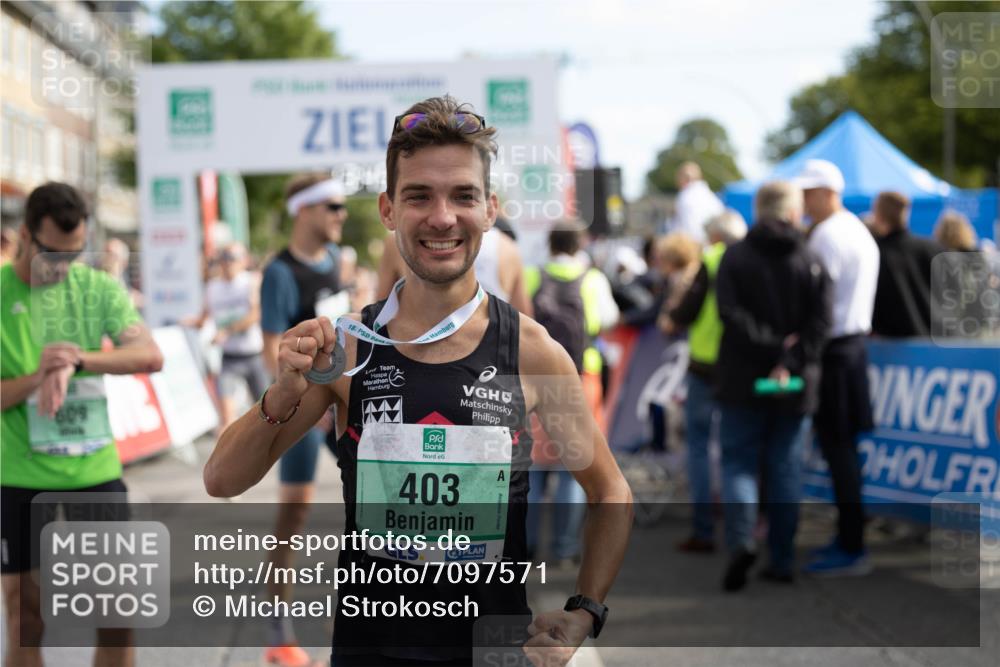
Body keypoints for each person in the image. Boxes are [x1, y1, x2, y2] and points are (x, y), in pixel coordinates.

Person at [205, 96, 632, 666]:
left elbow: (610, 492)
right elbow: (222, 480)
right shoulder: (348, 346)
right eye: (419, 196)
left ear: (489, 208)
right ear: (387, 210)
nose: (442, 217)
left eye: (463, 195)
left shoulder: (531, 351)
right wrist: (280, 394)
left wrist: (585, 610)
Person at [1, 182, 164, 667]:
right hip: (19, 478)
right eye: (53, 253)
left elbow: (150, 355)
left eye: (74, 254)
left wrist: (77, 361)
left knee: (117, 615)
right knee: (25, 621)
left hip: (94, 471)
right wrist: (39, 377)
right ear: (25, 236)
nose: (63, 266)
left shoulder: (93, 288)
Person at [714, 181, 831, 591]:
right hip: (795, 383)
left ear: (759, 209)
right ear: (793, 211)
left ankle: (743, 541)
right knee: (785, 468)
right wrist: (788, 359)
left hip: (742, 378)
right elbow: (820, 324)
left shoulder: (736, 256)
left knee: (739, 464)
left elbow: (729, 313)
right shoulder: (811, 258)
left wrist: (769, 352)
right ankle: (781, 558)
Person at [258, 173, 349, 667]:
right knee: (293, 517)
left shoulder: (336, 260)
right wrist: (300, 402)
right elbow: (270, 347)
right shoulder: (279, 272)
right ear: (304, 211)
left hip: (335, 406)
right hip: (300, 411)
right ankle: (280, 631)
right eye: (332, 207)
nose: (341, 215)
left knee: (369, 510)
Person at [795, 159, 879, 576]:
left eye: (809, 193)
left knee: (839, 450)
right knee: (843, 451)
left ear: (828, 192)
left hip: (836, 351)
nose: (804, 201)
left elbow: (817, 305)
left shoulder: (828, 235)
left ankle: (852, 545)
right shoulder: (856, 230)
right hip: (852, 347)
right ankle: (850, 539)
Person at [523, 222, 620, 566]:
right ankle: (564, 548)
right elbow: (609, 318)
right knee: (572, 465)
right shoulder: (592, 279)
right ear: (579, 244)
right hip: (582, 376)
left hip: (536, 378)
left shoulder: (531, 276)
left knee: (533, 467)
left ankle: (527, 546)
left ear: (549, 243)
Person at [661, 209, 748, 553]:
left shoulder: (710, 260)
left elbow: (686, 311)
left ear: (713, 236)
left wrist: (671, 317)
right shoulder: (751, 258)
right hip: (740, 366)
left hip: (704, 367)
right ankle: (743, 532)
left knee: (698, 446)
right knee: (737, 451)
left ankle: (704, 530)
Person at [377, 225, 533, 315]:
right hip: (492, 361)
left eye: (464, 197)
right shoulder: (508, 248)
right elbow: (524, 321)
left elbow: (381, 310)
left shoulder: (397, 240)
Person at [201, 242, 269, 428]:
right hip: (229, 359)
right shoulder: (212, 287)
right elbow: (204, 316)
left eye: (232, 258)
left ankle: (266, 454)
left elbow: (255, 314)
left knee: (266, 413)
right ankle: (227, 456)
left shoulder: (251, 281)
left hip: (254, 357)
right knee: (227, 416)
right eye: (224, 258)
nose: (227, 262)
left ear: (243, 261)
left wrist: (228, 330)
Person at [870, 192, 943, 338]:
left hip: (891, 349)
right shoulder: (933, 249)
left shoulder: (875, 253)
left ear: (878, 216)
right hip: (936, 346)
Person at [662, 161, 723, 243]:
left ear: (683, 178)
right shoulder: (713, 198)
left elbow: (689, 229)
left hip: (691, 247)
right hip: (712, 247)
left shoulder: (685, 197)